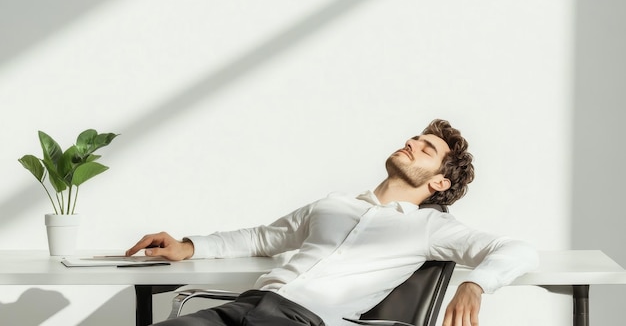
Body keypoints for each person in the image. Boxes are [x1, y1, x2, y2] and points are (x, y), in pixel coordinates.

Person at [127, 119, 538, 326]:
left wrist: (475, 284)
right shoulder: (333, 205)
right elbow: (262, 238)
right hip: (244, 306)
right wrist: (188, 246)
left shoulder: (430, 228)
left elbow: (518, 249)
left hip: (300, 321)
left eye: (426, 148)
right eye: (414, 138)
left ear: (438, 181)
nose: (411, 143)